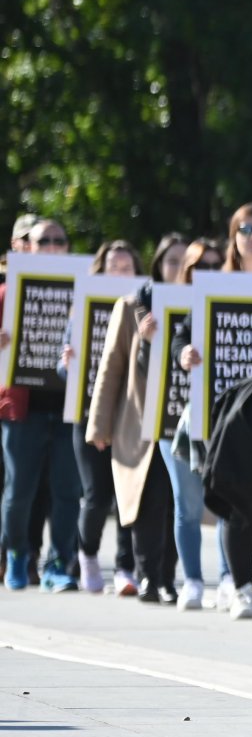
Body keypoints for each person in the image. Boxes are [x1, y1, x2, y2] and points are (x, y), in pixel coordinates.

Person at [191, 203, 252, 619]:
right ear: (233, 237)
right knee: (236, 501)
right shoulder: (213, 287)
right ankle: (243, 586)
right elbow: (185, 331)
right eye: (245, 228)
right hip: (232, 411)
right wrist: (184, 353)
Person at [87, 234, 189, 605]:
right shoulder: (132, 307)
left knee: (178, 504)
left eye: (184, 261)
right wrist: (99, 424)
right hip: (140, 422)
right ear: (159, 264)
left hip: (182, 422)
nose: (177, 268)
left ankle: (167, 577)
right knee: (146, 501)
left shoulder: (200, 305)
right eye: (171, 261)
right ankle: (147, 576)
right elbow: (110, 367)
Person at [1, 216, 81, 591]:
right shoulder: (5, 294)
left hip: (69, 407)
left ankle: (59, 563)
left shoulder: (85, 289)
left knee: (68, 492)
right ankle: (17, 554)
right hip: (22, 410)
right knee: (18, 491)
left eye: (59, 240)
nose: (51, 246)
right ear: (25, 247)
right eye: (43, 240)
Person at [163, 237, 233, 610]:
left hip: (222, 422)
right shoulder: (166, 304)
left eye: (214, 265)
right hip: (176, 422)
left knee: (224, 501)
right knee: (187, 504)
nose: (207, 273)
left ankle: (227, 578)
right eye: (199, 267)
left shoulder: (231, 302)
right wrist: (182, 354)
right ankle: (192, 580)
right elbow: (177, 342)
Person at [69, 240, 142, 593]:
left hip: (128, 416)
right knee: (97, 494)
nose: (119, 274)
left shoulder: (142, 309)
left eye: (126, 268)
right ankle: (87, 555)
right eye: (112, 267)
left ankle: (126, 567)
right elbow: (59, 368)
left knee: (127, 492)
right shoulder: (81, 310)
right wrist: (65, 364)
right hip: (88, 413)